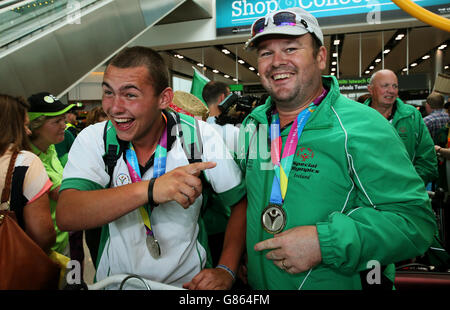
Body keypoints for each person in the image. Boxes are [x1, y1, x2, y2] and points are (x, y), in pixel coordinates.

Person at [236, 7, 436, 290]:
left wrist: (324, 242)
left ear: (320, 58)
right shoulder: (253, 125)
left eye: (291, 48)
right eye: (266, 53)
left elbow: (414, 223)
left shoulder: (363, 125)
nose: (277, 61)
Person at [56, 46, 246, 289]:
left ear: (164, 98)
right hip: (116, 283)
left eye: (130, 95)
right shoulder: (95, 139)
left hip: (187, 285)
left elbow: (239, 203)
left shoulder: (199, 136)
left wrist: (226, 269)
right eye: (108, 93)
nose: (114, 108)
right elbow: (67, 214)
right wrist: (150, 190)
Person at [0, 94, 56, 253]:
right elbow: (42, 234)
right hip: (12, 261)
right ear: (9, 127)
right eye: (24, 126)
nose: (29, 132)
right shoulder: (25, 162)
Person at [365, 69, 438, 185]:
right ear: (371, 89)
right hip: (369, 194)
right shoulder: (359, 118)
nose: (391, 91)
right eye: (385, 86)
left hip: (407, 194)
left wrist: (411, 184)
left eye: (395, 86)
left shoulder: (412, 116)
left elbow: (428, 159)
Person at [28, 92, 74, 257]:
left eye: (64, 119)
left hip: (62, 240)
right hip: (46, 251)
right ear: (36, 126)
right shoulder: (30, 161)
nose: (64, 125)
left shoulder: (50, 148)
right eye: (56, 121)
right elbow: (64, 196)